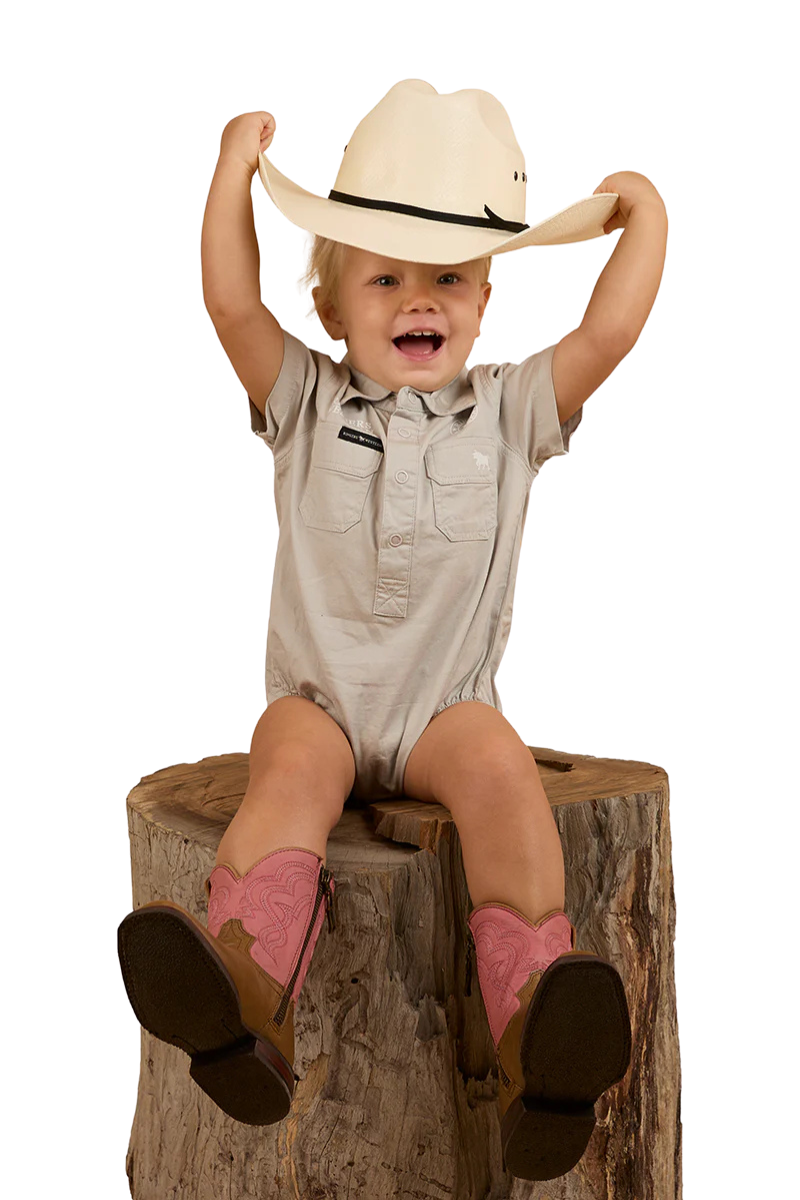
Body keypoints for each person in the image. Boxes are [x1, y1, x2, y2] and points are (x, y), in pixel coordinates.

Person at [118, 81, 668, 1181]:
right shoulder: (305, 403)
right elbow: (230, 306)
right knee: (287, 776)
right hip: (318, 699)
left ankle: (535, 1027)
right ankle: (244, 992)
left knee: (503, 779)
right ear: (330, 306)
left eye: (449, 278)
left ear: (483, 299)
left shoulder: (511, 410)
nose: (421, 299)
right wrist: (232, 172)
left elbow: (608, 331)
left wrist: (645, 217)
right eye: (385, 278)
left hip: (442, 708)